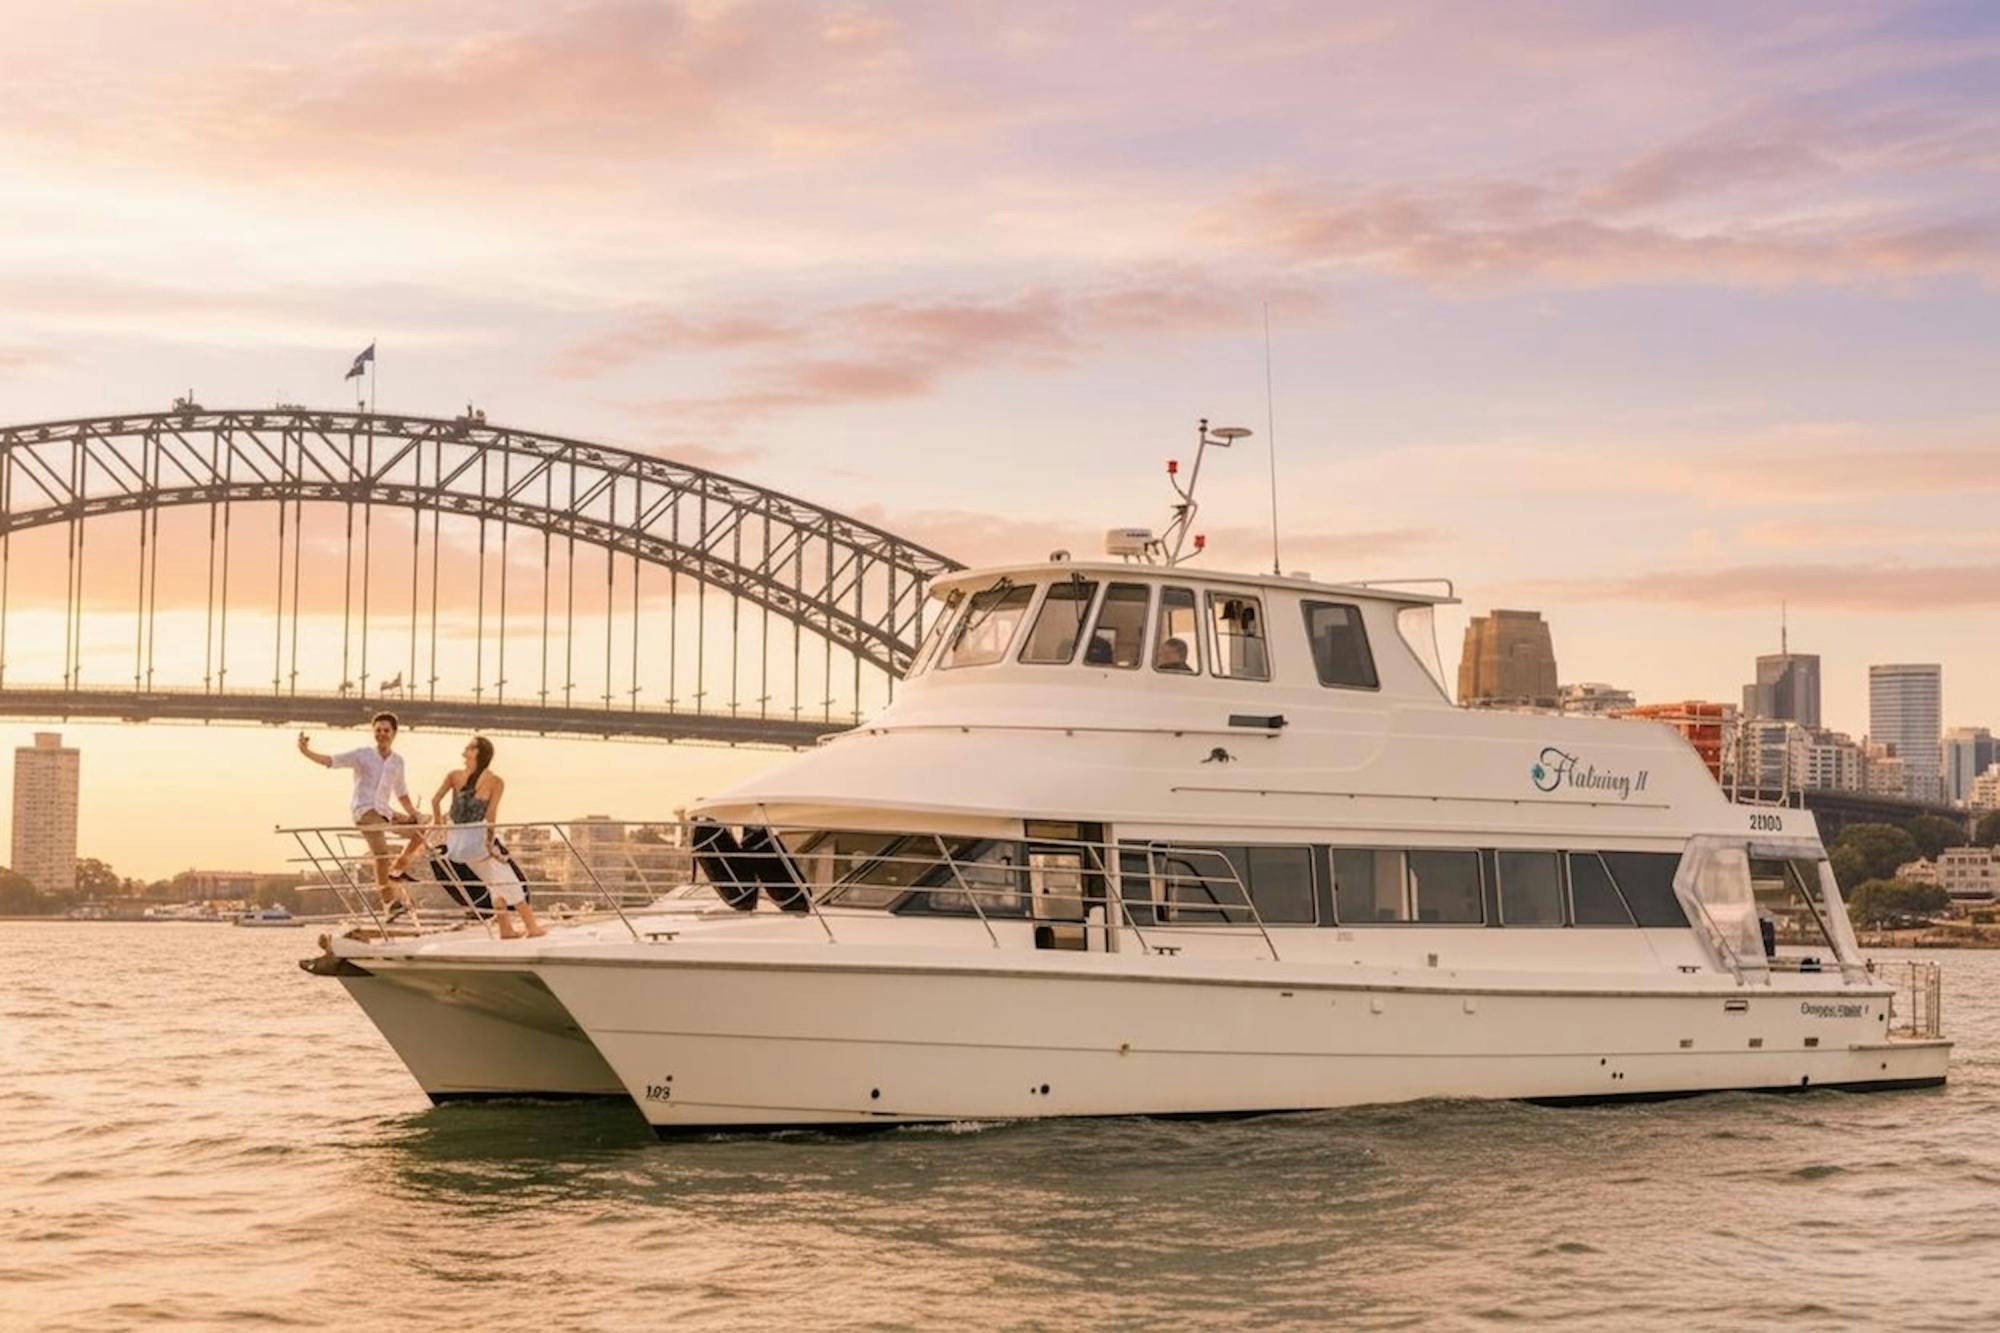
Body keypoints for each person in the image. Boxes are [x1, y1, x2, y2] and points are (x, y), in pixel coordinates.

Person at [297, 713, 422, 923]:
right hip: (364, 812)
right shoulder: (363, 755)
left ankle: (397, 870)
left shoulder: (397, 762)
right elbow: (331, 761)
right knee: (381, 854)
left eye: (386, 731)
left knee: (420, 832)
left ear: (394, 734)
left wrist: (413, 814)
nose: (382, 734)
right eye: (378, 730)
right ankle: (389, 903)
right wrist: (305, 751)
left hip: (384, 811)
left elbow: (402, 793)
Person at [431, 736, 544, 940]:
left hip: (457, 845)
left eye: (469, 747)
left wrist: (440, 825)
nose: (465, 750)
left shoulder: (454, 776)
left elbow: (435, 800)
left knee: (493, 882)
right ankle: (532, 927)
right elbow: (491, 816)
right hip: (477, 842)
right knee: (509, 880)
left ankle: (505, 929)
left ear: (478, 752)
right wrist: (491, 844)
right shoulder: (495, 781)